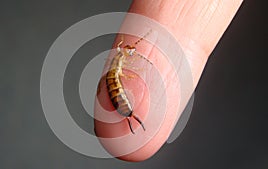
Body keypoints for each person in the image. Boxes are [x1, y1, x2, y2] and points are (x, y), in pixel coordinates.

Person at [94, 0, 243, 162]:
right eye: (131, 51)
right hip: (115, 80)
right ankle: (131, 118)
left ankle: (131, 118)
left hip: (115, 80)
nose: (132, 52)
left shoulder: (118, 62)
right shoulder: (120, 62)